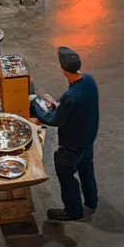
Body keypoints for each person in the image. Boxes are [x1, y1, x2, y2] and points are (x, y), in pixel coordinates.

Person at [32, 47, 99, 222]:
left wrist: (37, 102)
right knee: (86, 169)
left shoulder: (71, 97)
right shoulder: (89, 81)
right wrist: (55, 103)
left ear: (63, 69)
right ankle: (92, 201)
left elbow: (53, 119)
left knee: (66, 175)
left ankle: (73, 210)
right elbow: (71, 107)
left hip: (72, 145)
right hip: (87, 139)